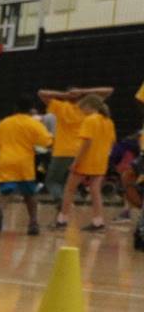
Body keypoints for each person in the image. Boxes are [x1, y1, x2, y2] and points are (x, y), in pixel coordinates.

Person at [37, 83, 113, 207]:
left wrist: (65, 95)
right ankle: (67, 210)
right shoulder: (88, 109)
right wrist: (83, 91)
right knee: (72, 184)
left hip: (63, 152)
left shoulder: (61, 107)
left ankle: (62, 203)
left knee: (52, 181)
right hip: (83, 152)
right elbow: (109, 90)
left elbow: (41, 93)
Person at [0, 96, 51, 235]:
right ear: (30, 109)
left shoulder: (4, 122)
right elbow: (47, 142)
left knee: (6, 192)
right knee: (30, 194)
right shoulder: (33, 123)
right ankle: (33, 223)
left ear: (15, 108)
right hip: (24, 163)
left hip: (5, 161)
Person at [59, 92, 115, 232]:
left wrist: (76, 162)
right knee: (95, 191)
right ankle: (98, 222)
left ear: (89, 106)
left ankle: (62, 220)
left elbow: (86, 143)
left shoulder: (90, 120)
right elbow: (112, 142)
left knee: (69, 189)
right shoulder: (108, 121)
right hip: (100, 162)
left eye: (82, 108)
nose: (82, 112)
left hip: (86, 161)